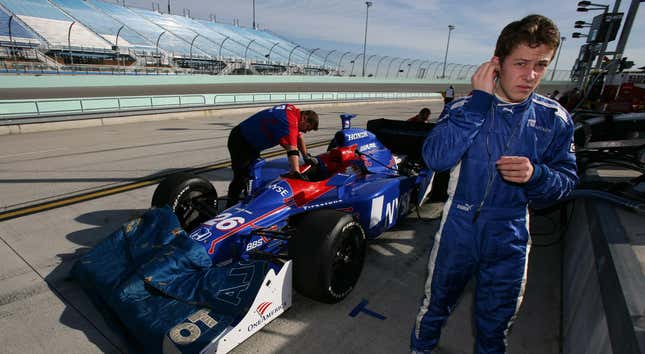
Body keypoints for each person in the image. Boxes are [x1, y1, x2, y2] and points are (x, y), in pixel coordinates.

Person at [411, 15, 578, 353]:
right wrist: (478, 104)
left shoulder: (555, 118)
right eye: (520, 64)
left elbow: (568, 182)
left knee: (496, 325)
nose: (530, 76)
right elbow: (436, 158)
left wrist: (537, 176)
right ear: (497, 63)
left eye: (540, 65)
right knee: (434, 308)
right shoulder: (463, 107)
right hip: (459, 228)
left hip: (511, 232)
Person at [226, 104, 318, 206]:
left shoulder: (293, 113)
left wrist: (306, 156)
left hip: (250, 142)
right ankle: (230, 204)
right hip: (240, 141)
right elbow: (292, 149)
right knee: (241, 175)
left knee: (253, 172)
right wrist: (296, 172)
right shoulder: (289, 122)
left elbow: (299, 138)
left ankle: (247, 195)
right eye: (308, 128)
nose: (306, 131)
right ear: (304, 118)